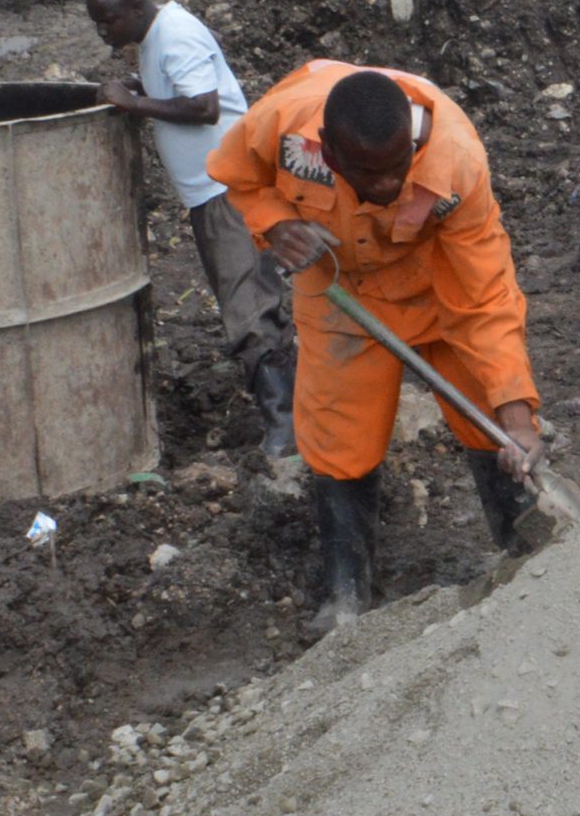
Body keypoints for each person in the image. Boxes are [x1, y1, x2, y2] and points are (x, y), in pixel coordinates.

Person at [208, 61, 543, 625]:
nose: (389, 186)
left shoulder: (455, 161)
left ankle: (525, 555)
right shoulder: (286, 127)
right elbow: (237, 175)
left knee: (487, 412)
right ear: (331, 158)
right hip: (340, 283)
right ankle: (347, 594)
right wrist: (274, 222)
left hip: (438, 284)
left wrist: (518, 418)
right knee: (340, 435)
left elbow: (485, 295)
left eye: (399, 169)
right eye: (372, 175)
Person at [87, 0, 297, 458]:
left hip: (226, 191)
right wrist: (139, 82)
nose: (103, 33)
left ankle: (286, 428)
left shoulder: (174, 34)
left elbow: (204, 106)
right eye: (97, 23)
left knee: (248, 304)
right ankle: (294, 408)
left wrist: (135, 104)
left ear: (136, 9)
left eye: (109, 21)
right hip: (211, 191)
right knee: (250, 294)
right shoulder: (157, 35)